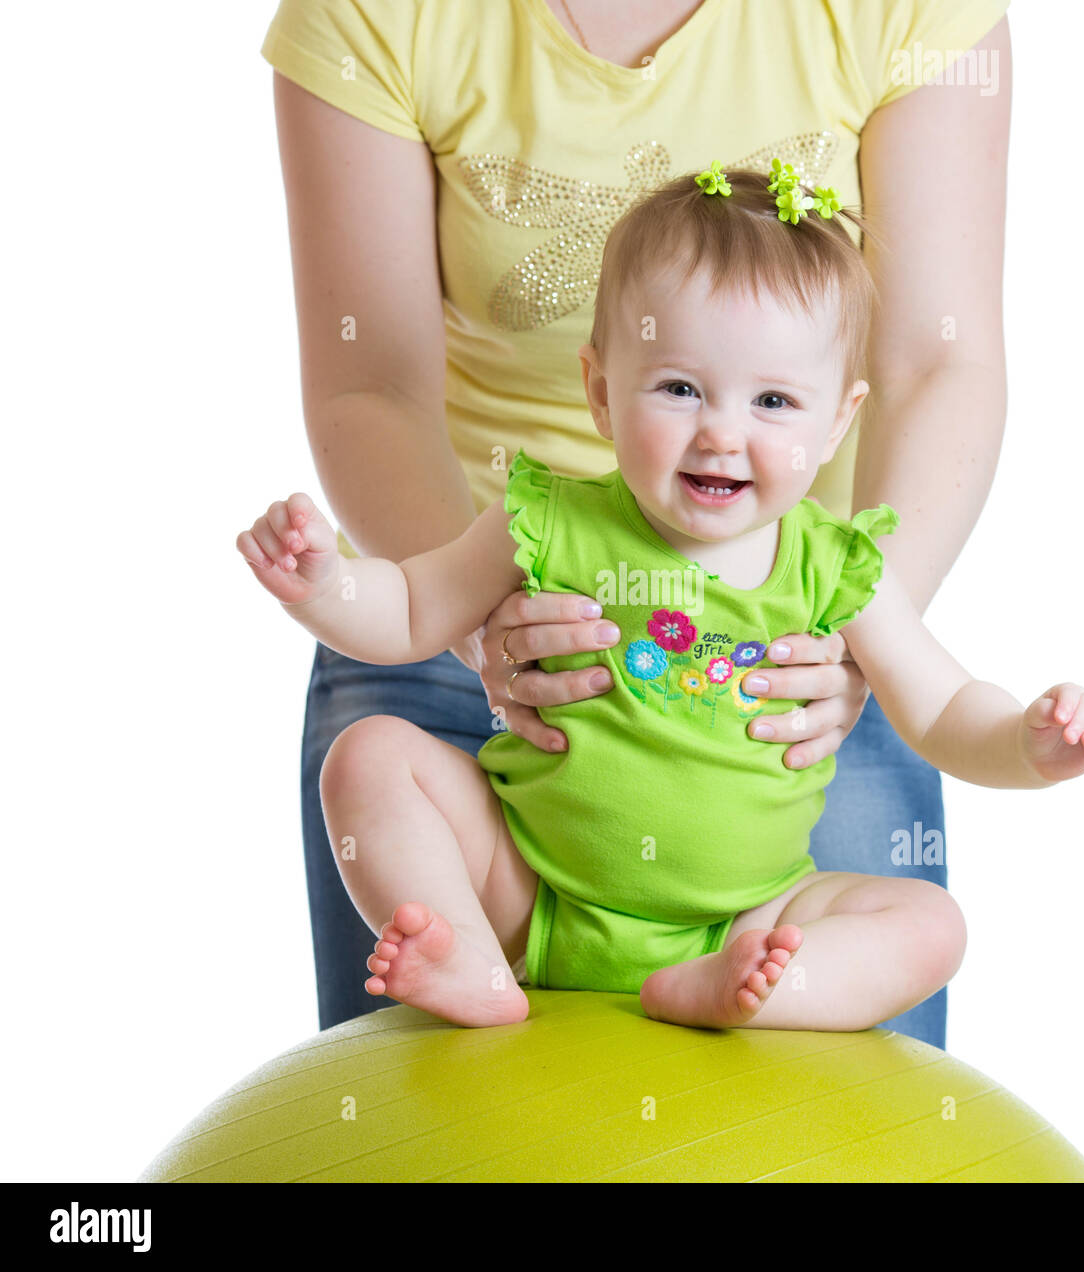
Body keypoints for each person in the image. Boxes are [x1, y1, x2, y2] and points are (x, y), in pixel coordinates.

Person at [259, 0, 1013, 1043]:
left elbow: (940, 362)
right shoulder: (534, 521)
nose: (717, 437)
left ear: (832, 422)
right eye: (676, 393)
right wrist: (397, 601)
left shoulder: (834, 572)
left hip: (789, 665)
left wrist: (868, 653)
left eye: (771, 405)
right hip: (470, 589)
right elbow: (370, 392)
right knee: (434, 1090)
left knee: (909, 947)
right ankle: (477, 959)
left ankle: (739, 983)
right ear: (599, 397)